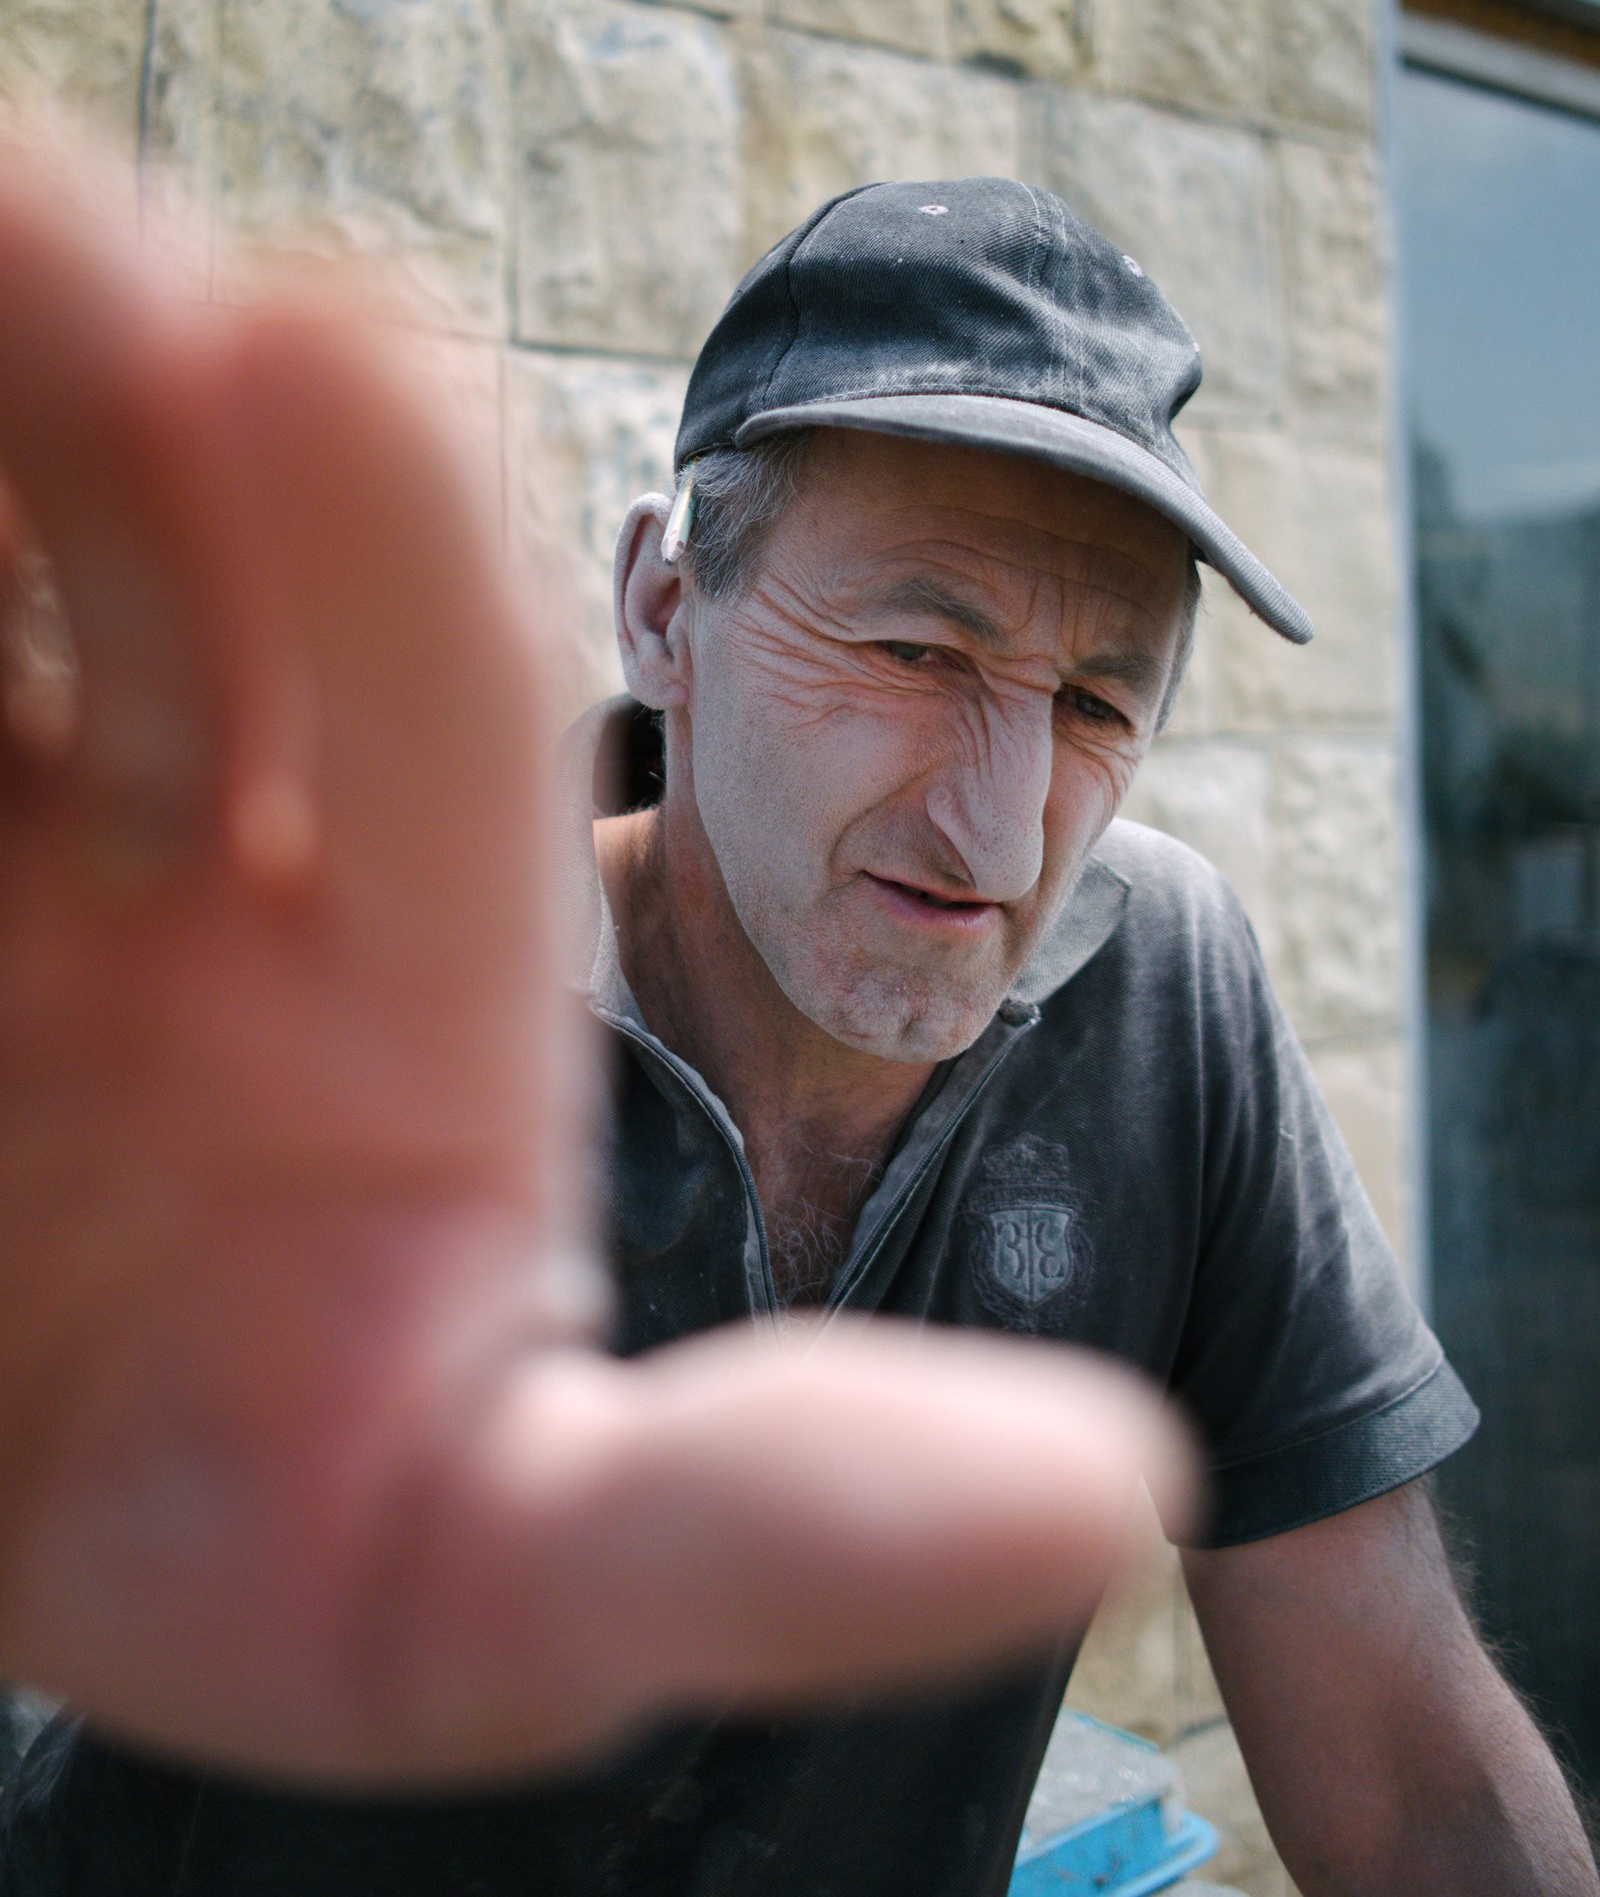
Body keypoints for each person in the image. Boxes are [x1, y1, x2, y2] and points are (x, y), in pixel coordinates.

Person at [0, 150, 1594, 1894]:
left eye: (1090, 700)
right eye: (919, 650)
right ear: (668, 612)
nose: (1000, 834)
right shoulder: (337, 1019)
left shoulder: (1163, 990)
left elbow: (1416, 1774)